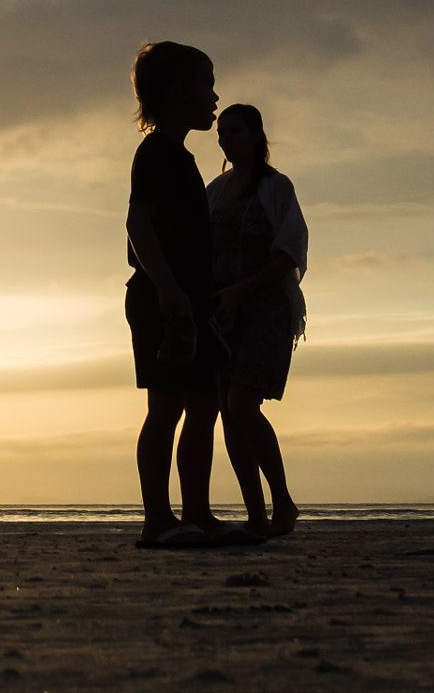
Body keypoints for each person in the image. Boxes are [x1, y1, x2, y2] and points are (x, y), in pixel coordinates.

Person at [124, 41, 226, 548]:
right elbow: (137, 225)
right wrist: (167, 289)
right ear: (180, 89)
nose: (214, 95)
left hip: (191, 301)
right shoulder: (158, 152)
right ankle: (157, 519)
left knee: (204, 405)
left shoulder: (181, 157)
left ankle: (198, 515)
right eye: (207, 83)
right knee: (166, 408)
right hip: (162, 299)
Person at [206, 103, 306, 539]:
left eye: (234, 131)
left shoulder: (277, 187)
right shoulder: (215, 190)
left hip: (265, 307)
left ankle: (281, 501)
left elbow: (290, 253)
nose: (226, 138)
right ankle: (256, 515)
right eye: (220, 133)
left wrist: (242, 290)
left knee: (244, 402)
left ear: (255, 134)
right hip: (222, 311)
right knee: (229, 410)